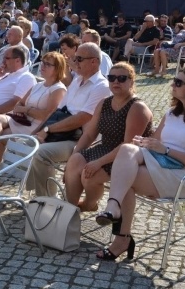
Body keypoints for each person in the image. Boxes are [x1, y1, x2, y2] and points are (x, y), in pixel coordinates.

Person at [94, 67, 185, 261]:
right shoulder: (171, 113)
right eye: (174, 80)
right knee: (127, 150)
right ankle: (114, 209)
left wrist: (165, 150)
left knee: (124, 178)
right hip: (163, 164)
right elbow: (155, 141)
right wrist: (145, 143)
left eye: (178, 82)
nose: (172, 85)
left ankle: (120, 234)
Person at [25, 42, 111, 197]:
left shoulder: (101, 86)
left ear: (94, 61)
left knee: (40, 152)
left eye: (79, 59)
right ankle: (36, 192)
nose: (74, 62)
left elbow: (82, 118)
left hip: (80, 140)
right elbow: (57, 111)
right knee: (28, 142)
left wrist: (47, 130)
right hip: (62, 132)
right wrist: (37, 131)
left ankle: (48, 199)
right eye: (75, 58)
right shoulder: (77, 81)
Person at [64, 63, 152, 211]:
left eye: (121, 78)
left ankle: (88, 205)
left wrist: (98, 163)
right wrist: (74, 154)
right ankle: (70, 209)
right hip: (105, 148)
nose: (116, 81)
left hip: (127, 156)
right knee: (74, 162)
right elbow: (89, 134)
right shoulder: (104, 103)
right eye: (111, 78)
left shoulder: (137, 107)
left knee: (89, 176)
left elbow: (128, 144)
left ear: (131, 81)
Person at [0, 51, 67, 182]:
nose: (43, 66)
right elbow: (19, 104)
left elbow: (47, 115)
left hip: (35, 127)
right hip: (22, 121)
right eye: (43, 62)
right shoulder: (38, 85)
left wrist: (26, 110)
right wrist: (25, 109)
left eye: (48, 64)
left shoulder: (58, 89)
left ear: (57, 68)